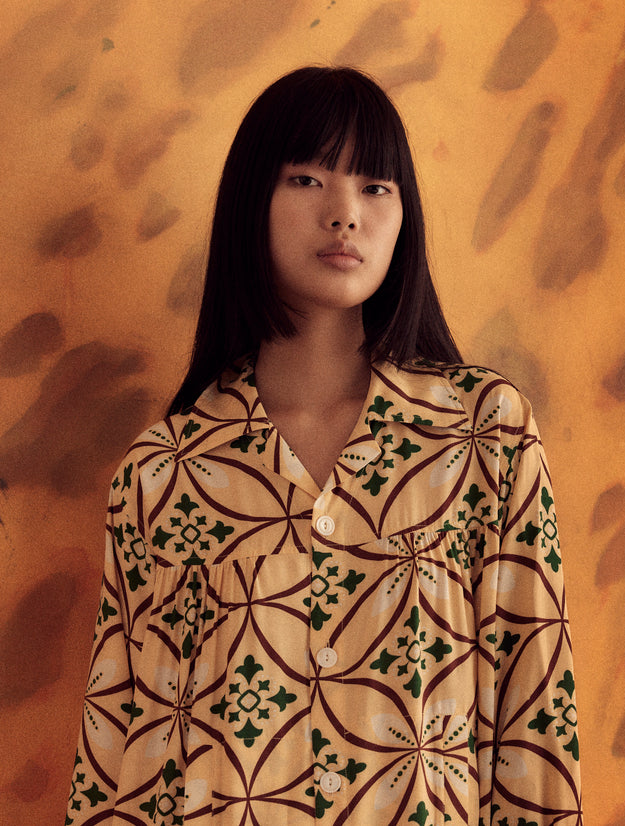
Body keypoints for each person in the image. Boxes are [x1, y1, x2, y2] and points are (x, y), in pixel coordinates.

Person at [66, 66, 582, 825]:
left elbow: (534, 717)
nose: (345, 214)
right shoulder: (164, 473)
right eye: (306, 179)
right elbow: (118, 757)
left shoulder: (484, 436)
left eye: (376, 187)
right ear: (253, 204)